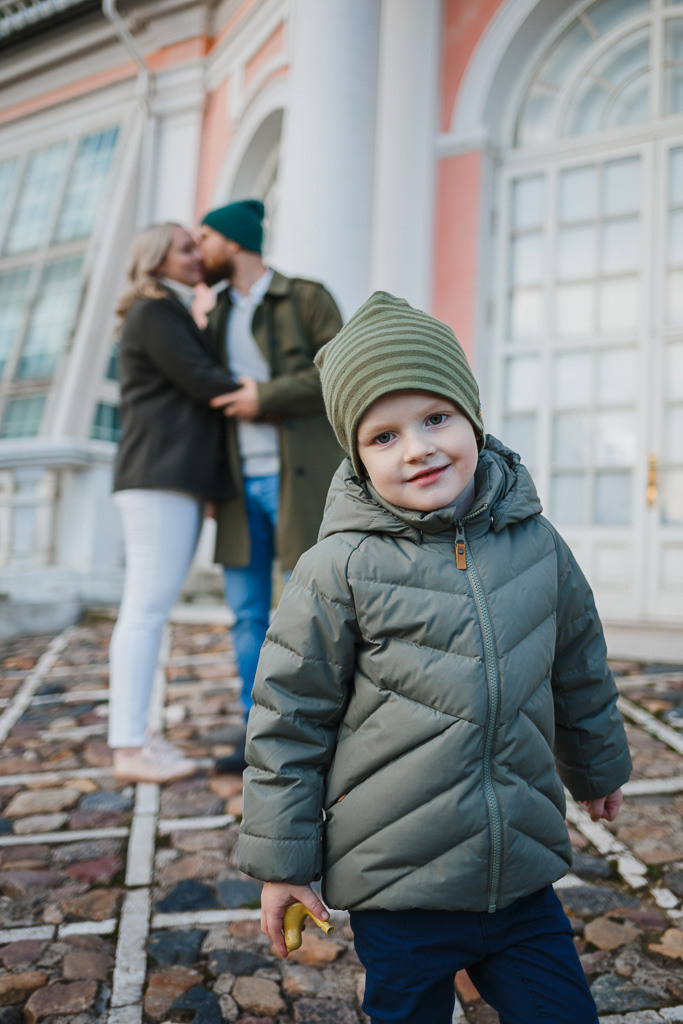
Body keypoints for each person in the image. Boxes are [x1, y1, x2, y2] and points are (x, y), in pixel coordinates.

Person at [237, 291, 632, 1024]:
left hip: (518, 872)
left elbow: (578, 664)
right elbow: (289, 720)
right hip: (397, 885)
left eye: (435, 418)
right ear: (354, 455)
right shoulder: (338, 568)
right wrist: (283, 863)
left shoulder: (536, 544)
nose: (416, 447)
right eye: (382, 436)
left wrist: (598, 765)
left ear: (472, 420)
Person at [198, 199, 343, 748]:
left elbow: (339, 369)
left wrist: (266, 396)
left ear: (234, 241)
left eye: (205, 237)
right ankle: (256, 727)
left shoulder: (305, 296)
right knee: (245, 615)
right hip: (236, 486)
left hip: (298, 481)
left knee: (304, 614)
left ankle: (306, 726)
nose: (199, 250)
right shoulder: (213, 314)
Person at [109, 222, 239, 784]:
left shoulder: (169, 309)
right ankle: (132, 745)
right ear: (157, 256)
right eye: (185, 248)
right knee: (145, 611)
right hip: (159, 477)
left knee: (147, 610)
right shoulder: (154, 311)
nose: (196, 256)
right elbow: (205, 381)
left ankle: (136, 736)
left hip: (170, 479)